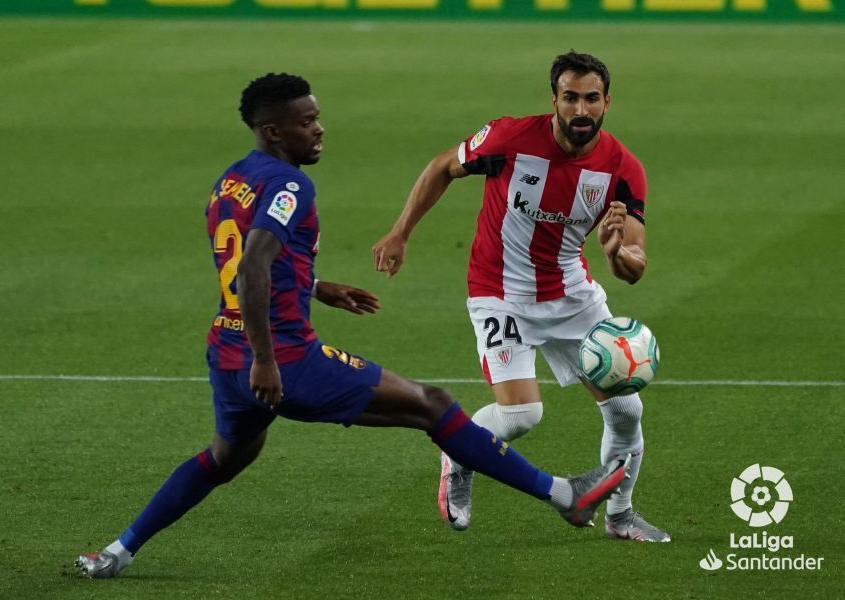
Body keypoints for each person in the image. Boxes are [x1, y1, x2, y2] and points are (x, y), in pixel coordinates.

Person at [75, 73, 630, 578]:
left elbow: (239, 263)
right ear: (273, 130)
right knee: (433, 405)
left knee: (222, 459)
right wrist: (268, 360)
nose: (319, 130)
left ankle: (117, 552)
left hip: (225, 353)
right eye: (306, 121)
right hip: (284, 360)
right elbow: (251, 270)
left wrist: (316, 287)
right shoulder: (291, 187)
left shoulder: (232, 181)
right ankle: (565, 495)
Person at [372, 52, 669, 542]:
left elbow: (634, 263)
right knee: (521, 414)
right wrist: (400, 232)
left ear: (606, 102)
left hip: (572, 293)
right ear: (553, 99)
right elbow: (444, 165)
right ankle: (458, 453)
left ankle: (619, 516)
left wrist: (617, 253)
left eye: (591, 99)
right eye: (569, 97)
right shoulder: (509, 139)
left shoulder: (622, 169)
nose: (580, 109)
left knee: (626, 409)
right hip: (499, 292)